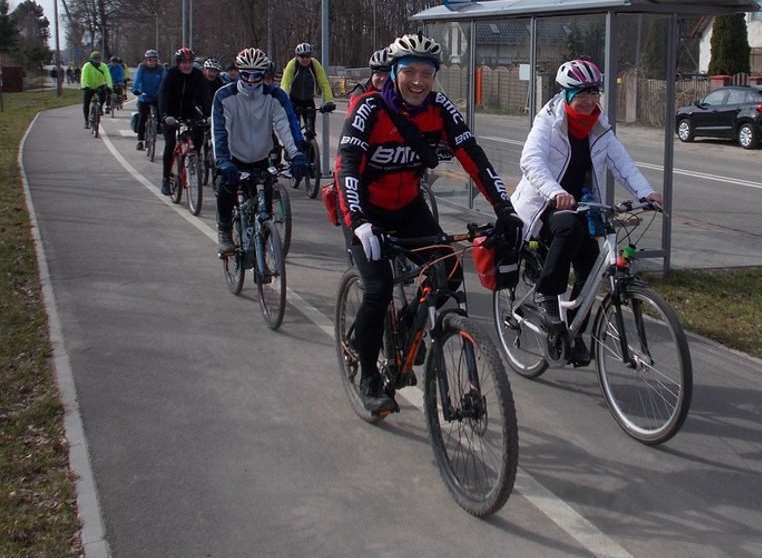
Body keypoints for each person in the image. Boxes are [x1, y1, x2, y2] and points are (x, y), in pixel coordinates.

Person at [336, 33, 522, 415]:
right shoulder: (369, 109)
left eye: (426, 72)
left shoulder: (439, 108)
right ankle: (370, 374)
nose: (418, 81)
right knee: (378, 287)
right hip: (366, 213)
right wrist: (359, 222)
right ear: (393, 73)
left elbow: (473, 157)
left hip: (407, 208)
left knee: (449, 268)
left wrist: (505, 209)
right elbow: (347, 168)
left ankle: (408, 324)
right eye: (410, 72)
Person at [510, 59, 662, 359]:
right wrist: (556, 192)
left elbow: (623, 164)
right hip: (545, 204)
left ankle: (573, 332)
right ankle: (546, 293)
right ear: (567, 94)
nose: (590, 100)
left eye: (595, 93)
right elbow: (531, 161)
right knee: (567, 227)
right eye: (583, 93)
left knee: (592, 269)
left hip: (583, 202)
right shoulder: (548, 122)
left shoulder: (599, 126)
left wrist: (647, 193)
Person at [213, 47, 308, 254]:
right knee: (227, 187)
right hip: (234, 158)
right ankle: (225, 230)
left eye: (257, 75)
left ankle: (263, 244)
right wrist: (223, 160)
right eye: (246, 74)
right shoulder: (224, 96)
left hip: (261, 158)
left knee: (265, 207)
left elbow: (285, 125)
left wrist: (297, 154)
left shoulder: (275, 96)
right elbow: (221, 130)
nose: (251, 80)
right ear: (239, 71)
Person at [157, 47, 211, 196]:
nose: (187, 65)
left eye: (190, 62)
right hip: (170, 111)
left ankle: (194, 158)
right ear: (179, 63)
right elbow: (162, 95)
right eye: (184, 62)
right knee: (170, 144)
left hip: (189, 109)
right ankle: (166, 179)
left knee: (199, 130)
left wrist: (209, 115)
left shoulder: (198, 75)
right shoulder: (171, 74)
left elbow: (205, 95)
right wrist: (165, 115)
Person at [281, 42, 336, 139]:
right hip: (294, 101)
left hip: (308, 101)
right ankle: (289, 152)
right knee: (294, 130)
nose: (305, 59)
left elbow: (324, 83)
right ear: (297, 56)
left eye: (308, 56)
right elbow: (285, 84)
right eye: (302, 56)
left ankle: (311, 150)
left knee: (310, 132)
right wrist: (283, 100)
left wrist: (329, 101)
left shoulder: (315, 64)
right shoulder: (292, 65)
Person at [131, 49, 165, 151]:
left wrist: (162, 92)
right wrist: (135, 90)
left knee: (161, 113)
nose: (151, 62)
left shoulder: (161, 69)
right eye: (149, 60)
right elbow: (137, 80)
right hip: (144, 96)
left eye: (154, 60)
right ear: (146, 60)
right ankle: (140, 141)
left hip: (156, 95)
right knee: (142, 117)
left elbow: (164, 81)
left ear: (157, 60)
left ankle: (158, 126)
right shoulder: (142, 68)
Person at [80, 50, 113, 129]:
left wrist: (109, 86)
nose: (96, 60)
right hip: (89, 86)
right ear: (91, 59)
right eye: (95, 59)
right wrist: (85, 85)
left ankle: (100, 107)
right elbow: (84, 76)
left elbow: (108, 76)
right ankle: (86, 121)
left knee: (103, 97)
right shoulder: (87, 66)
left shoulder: (103, 66)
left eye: (98, 59)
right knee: (86, 103)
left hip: (99, 85)